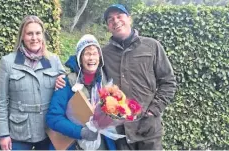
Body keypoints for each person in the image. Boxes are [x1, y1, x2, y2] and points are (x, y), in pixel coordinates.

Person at [55, 4, 177, 150]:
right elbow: (85, 65)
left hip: (149, 130)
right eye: (110, 19)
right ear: (108, 26)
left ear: (129, 19)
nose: (116, 21)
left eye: (119, 16)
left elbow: (168, 82)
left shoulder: (152, 46)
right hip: (121, 133)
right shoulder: (104, 53)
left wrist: (152, 111)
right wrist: (63, 76)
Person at [0, 15, 65, 150]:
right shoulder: (8, 62)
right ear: (22, 36)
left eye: (38, 33)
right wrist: (3, 134)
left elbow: (67, 87)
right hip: (19, 131)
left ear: (42, 36)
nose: (34, 38)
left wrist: (62, 80)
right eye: (29, 34)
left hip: (48, 131)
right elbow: (0, 101)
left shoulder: (53, 61)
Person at [46, 34, 116, 150]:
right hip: (74, 144)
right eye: (87, 54)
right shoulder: (66, 82)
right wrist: (81, 132)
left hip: (102, 144)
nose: (91, 58)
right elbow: (53, 118)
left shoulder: (105, 83)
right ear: (79, 57)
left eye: (94, 53)